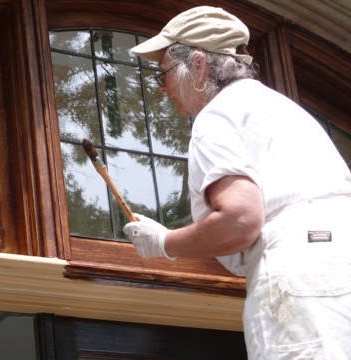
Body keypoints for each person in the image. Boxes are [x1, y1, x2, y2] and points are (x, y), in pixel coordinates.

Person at [122, 6, 351, 359]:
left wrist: (164, 242)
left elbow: (240, 220)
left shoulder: (216, 115)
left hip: (301, 275)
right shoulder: (283, 108)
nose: (160, 88)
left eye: (162, 73)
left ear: (198, 66)